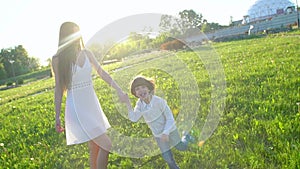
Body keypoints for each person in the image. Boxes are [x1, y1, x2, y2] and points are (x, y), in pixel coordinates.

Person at [52, 21, 126, 169]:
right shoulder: (58, 59)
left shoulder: (87, 53)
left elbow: (102, 73)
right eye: (73, 33)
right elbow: (59, 88)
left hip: (92, 105)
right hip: (77, 109)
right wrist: (57, 116)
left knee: (95, 147)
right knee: (107, 145)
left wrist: (119, 90)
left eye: (78, 32)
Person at [124, 76, 193, 169]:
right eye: (137, 89)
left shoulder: (159, 101)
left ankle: (186, 137)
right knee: (168, 158)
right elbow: (134, 118)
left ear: (148, 88)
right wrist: (128, 103)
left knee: (181, 147)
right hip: (158, 135)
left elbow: (170, 119)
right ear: (135, 93)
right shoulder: (139, 105)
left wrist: (166, 132)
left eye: (143, 87)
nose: (141, 90)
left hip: (170, 130)